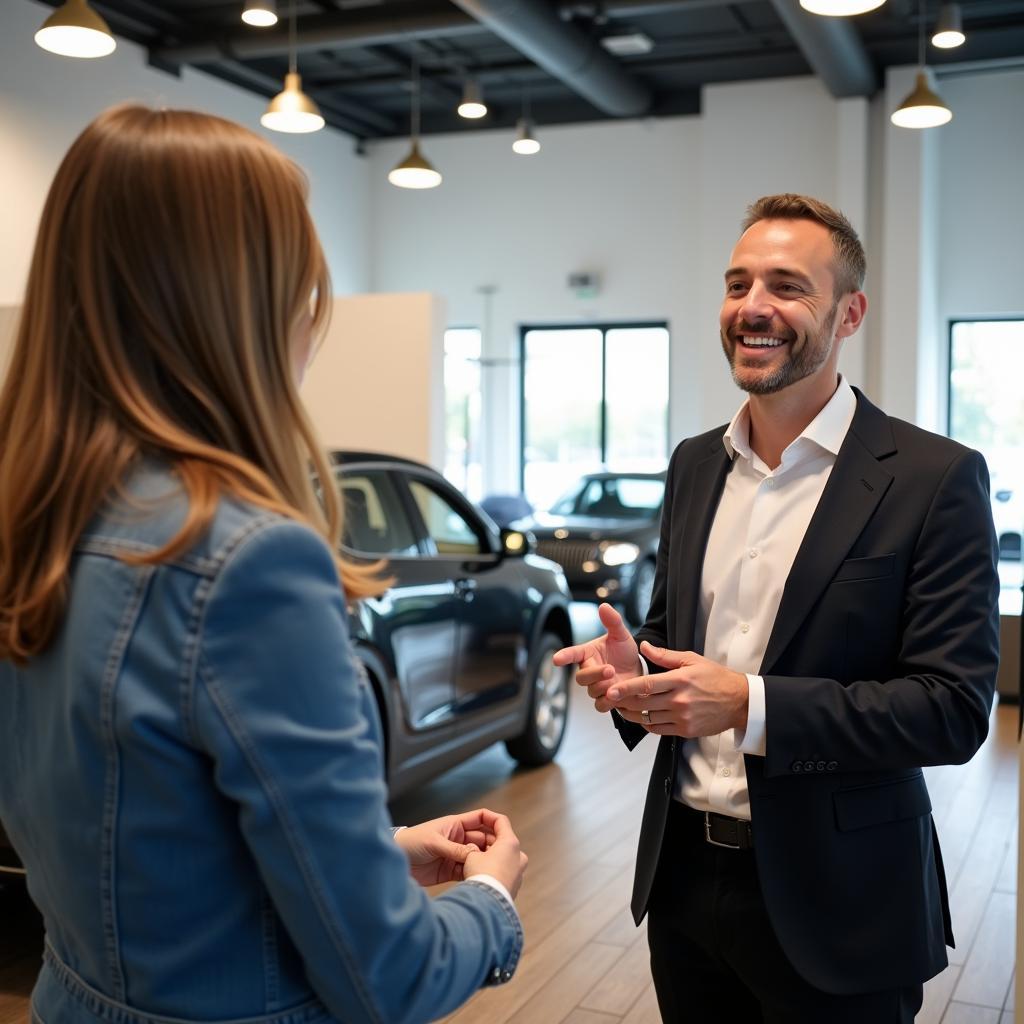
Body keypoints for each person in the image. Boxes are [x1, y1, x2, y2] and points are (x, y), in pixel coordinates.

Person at [0, 104, 527, 1024]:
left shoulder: (32, 521)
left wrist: (372, 849)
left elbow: (141, 847)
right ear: (245, 302)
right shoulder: (247, 561)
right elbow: (388, 978)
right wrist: (492, 905)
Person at [554, 194, 1000, 1022]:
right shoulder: (694, 466)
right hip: (683, 884)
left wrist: (750, 706)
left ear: (849, 312)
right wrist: (634, 668)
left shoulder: (933, 479)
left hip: (845, 900)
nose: (753, 307)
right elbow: (677, 641)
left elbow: (953, 709)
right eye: (737, 283)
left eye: (788, 286)